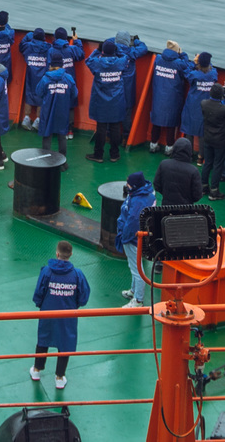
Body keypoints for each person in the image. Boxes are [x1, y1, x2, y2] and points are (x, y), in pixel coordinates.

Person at [31, 241, 91, 390]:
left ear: (57, 254)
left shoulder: (46, 271)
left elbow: (38, 292)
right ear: (70, 255)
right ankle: (59, 377)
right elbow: (84, 296)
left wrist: (41, 305)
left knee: (43, 339)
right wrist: (74, 304)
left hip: (48, 313)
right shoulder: (77, 274)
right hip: (67, 315)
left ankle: (37, 370)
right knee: (65, 343)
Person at [86, 39, 134, 163]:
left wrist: (97, 50)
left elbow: (88, 60)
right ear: (114, 51)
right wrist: (118, 51)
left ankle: (98, 155)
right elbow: (125, 56)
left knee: (101, 127)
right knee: (115, 127)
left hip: (101, 100)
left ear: (102, 51)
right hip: (116, 99)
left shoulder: (97, 63)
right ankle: (114, 154)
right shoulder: (120, 62)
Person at [116, 173, 155, 306]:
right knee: (134, 265)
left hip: (133, 239)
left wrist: (124, 237)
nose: (127, 186)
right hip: (139, 238)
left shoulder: (139, 200)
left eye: (129, 184)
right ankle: (133, 291)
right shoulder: (144, 194)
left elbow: (133, 222)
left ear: (136, 186)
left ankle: (138, 300)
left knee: (137, 269)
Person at [199, 84, 225, 197]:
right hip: (220, 141)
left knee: (207, 163)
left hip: (207, 138)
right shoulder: (223, 109)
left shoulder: (204, 104)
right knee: (218, 165)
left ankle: (203, 187)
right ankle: (214, 191)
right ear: (221, 96)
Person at [35, 51, 78, 156]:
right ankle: (62, 162)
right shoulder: (68, 78)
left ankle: (45, 159)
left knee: (47, 135)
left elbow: (38, 92)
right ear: (62, 64)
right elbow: (75, 94)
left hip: (47, 111)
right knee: (62, 136)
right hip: (62, 111)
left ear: (51, 64)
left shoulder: (46, 78)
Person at [149, 42, 188, 152]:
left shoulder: (158, 59)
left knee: (156, 121)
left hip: (158, 96)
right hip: (173, 97)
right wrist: (182, 53)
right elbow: (186, 65)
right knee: (172, 122)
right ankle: (169, 147)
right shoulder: (179, 63)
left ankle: (153, 144)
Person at [179, 51, 217, 152]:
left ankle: (189, 154)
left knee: (189, 130)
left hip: (193, 105)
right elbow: (212, 69)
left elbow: (186, 72)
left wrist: (194, 62)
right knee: (202, 132)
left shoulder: (194, 75)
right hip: (206, 107)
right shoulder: (213, 74)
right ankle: (201, 157)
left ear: (199, 63)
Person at [18, 26, 54, 129]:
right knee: (41, 96)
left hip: (30, 75)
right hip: (43, 76)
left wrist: (27, 36)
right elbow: (54, 49)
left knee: (29, 95)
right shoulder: (48, 47)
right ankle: (38, 120)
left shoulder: (28, 46)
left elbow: (21, 46)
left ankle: (26, 118)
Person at [154, 137, 204, 207]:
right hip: (186, 210)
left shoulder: (164, 164)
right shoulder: (193, 171)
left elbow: (157, 185)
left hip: (166, 208)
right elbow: (197, 195)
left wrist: (167, 194)